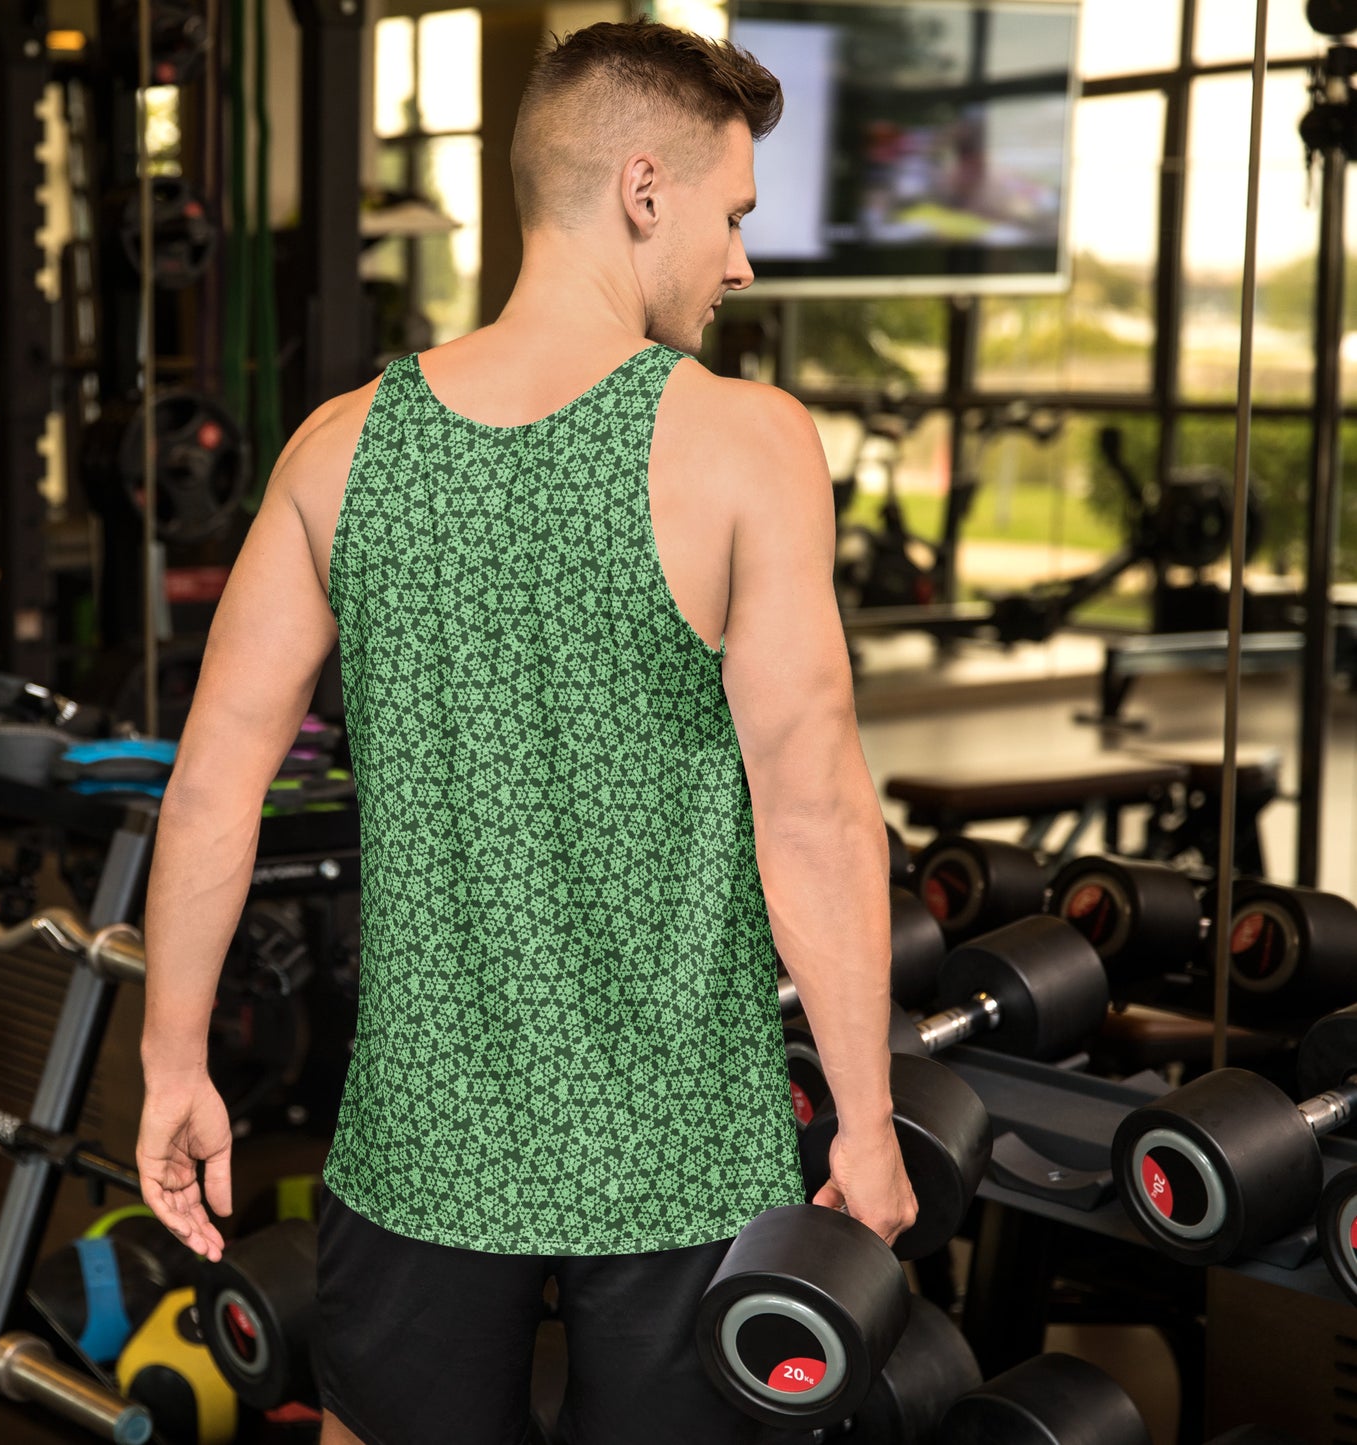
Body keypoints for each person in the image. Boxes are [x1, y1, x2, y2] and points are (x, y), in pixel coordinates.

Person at [136, 17, 916, 1445]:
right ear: (642, 189)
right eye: (732, 216)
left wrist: (174, 1062)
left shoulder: (336, 446)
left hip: (421, 1147)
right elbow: (812, 812)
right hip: (681, 1154)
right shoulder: (748, 445)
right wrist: (863, 1127)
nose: (739, 262)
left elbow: (210, 787)